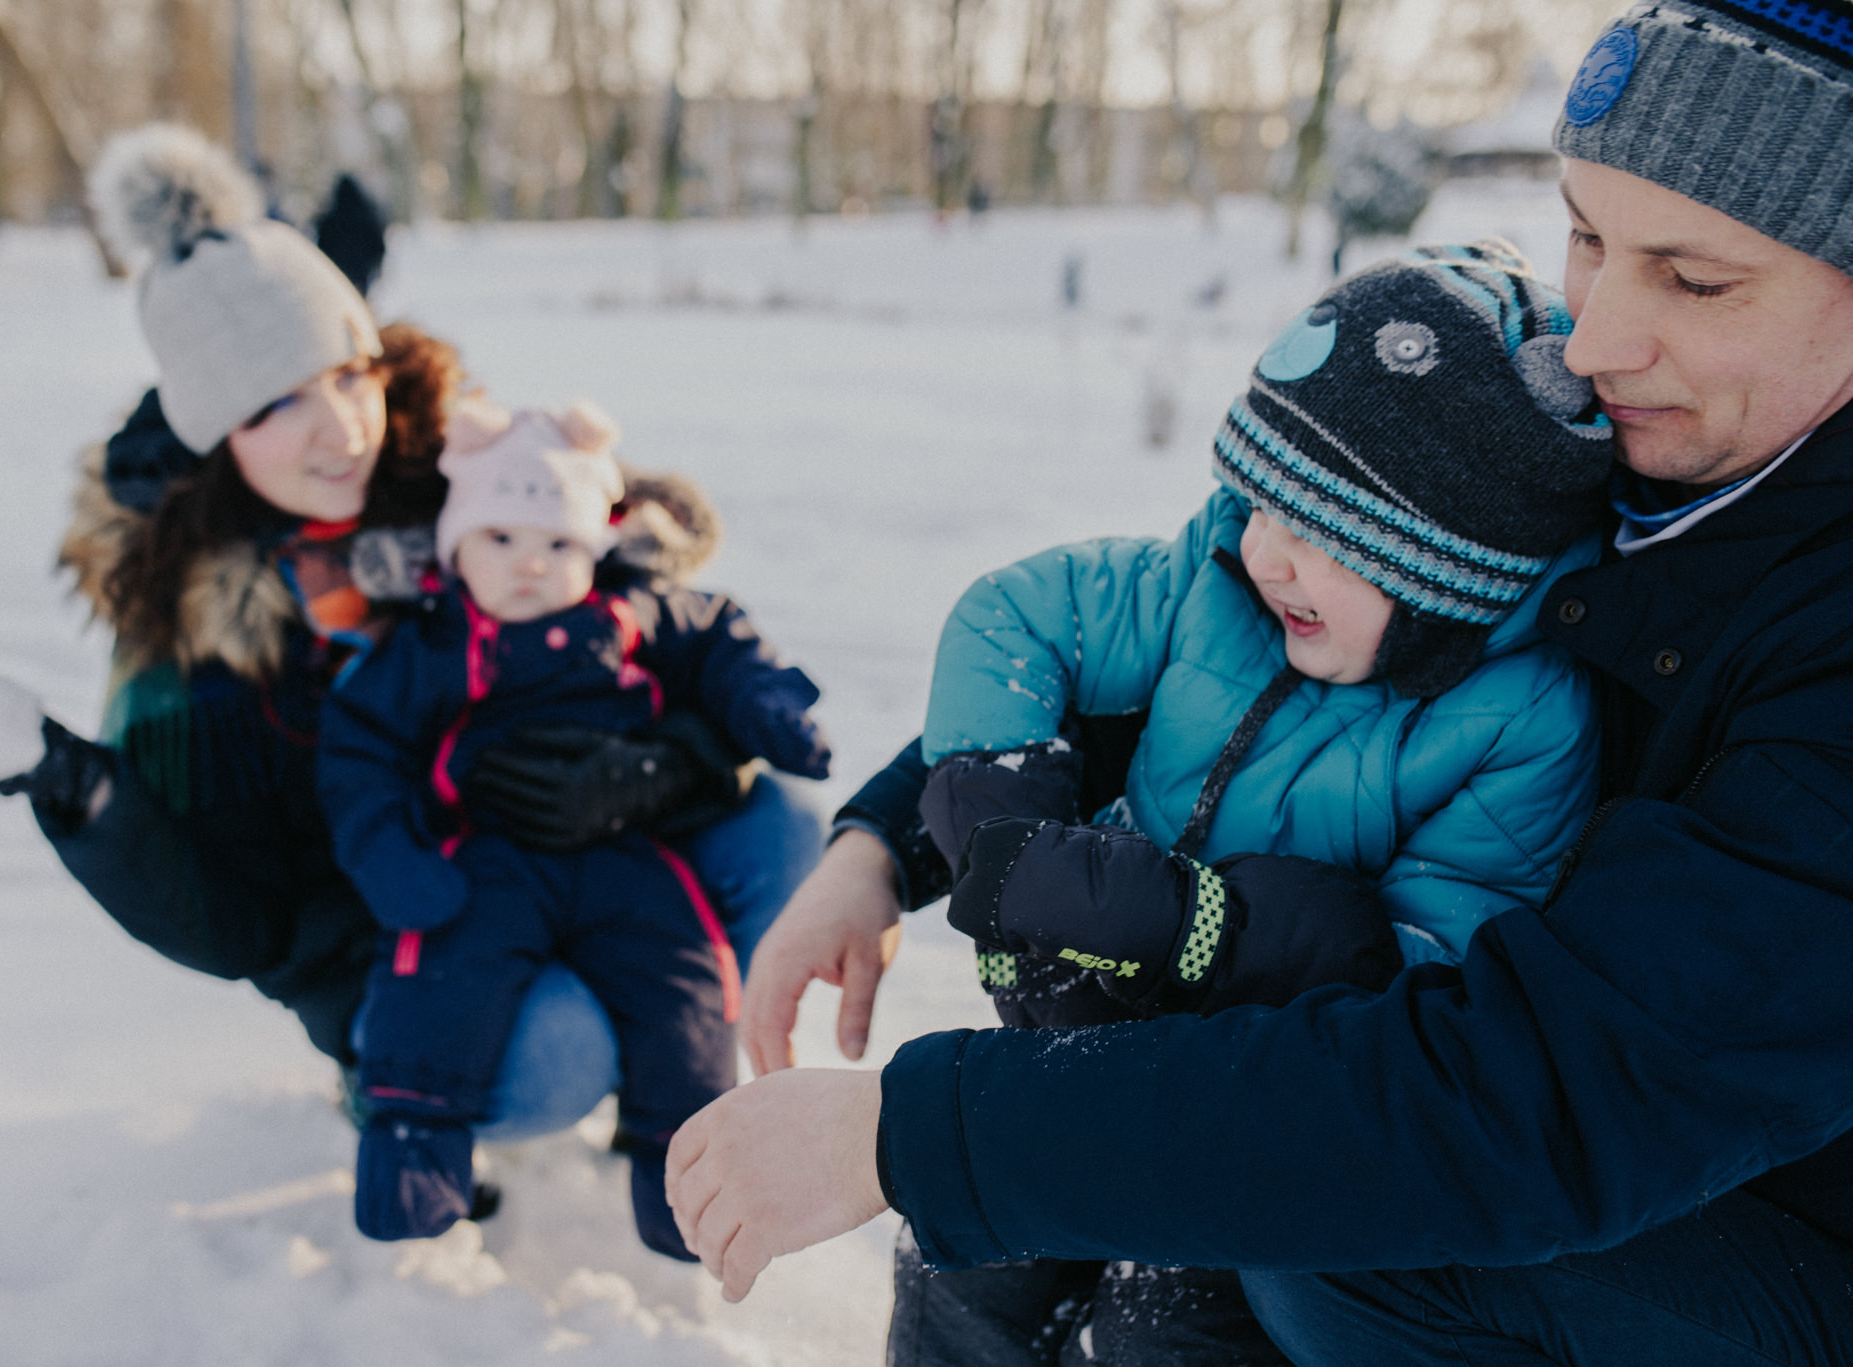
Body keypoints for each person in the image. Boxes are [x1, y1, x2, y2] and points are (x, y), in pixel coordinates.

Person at [668, 2, 1853, 1362]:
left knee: (1351, 1244)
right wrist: (886, 838)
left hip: (1760, 1208)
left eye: (1695, 281)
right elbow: (1231, 634)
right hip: (1630, 1123)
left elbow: (1523, 1101)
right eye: (1585, 233)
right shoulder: (1653, 446)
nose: (1593, 340)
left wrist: (925, 1132)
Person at [0, 124, 821, 1159]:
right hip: (404, 930)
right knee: (557, 1051)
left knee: (780, 836)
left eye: (347, 373)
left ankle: (678, 1058)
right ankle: (392, 1079)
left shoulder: (450, 475)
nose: (339, 428)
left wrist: (666, 770)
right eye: (277, 402)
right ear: (214, 432)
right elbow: (235, 922)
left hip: (580, 860)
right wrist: (71, 782)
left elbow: (647, 601)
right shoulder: (195, 636)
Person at [882, 241, 1612, 1362]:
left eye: (1317, 531)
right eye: (1256, 501)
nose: (1262, 552)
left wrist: (1199, 923)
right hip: (1074, 1038)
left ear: (1452, 563)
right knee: (964, 1256)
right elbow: (1012, 617)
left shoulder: (1521, 725)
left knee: (1158, 1328)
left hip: (1255, 1106)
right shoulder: (1210, 582)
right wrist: (997, 819)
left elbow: (1435, 966)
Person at [323, 402, 829, 1255]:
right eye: (501, 540)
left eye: (557, 544)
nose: (529, 565)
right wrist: (391, 860)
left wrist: (766, 708)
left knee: (685, 981)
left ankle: (686, 1174)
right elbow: (357, 750)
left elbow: (720, 639)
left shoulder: (628, 614)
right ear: (454, 549)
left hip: (624, 849)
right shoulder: (434, 644)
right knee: (441, 970)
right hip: (484, 861)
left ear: (595, 546)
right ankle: (416, 1150)